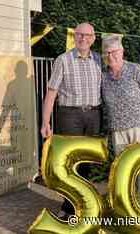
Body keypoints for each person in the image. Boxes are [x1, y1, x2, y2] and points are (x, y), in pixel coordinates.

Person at [40, 22, 102, 219]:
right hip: (70, 115)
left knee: (87, 162)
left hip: (93, 115)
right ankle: (68, 208)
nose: (83, 38)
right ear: (74, 37)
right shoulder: (63, 60)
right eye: (79, 35)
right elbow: (51, 92)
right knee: (70, 163)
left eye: (87, 35)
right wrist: (45, 122)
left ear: (93, 38)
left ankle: (83, 204)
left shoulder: (99, 60)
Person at [101, 34, 140, 206]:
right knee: (123, 171)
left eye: (114, 52)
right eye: (107, 53)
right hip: (117, 130)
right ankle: (129, 208)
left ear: (122, 51)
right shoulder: (104, 77)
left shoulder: (137, 71)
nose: (110, 56)